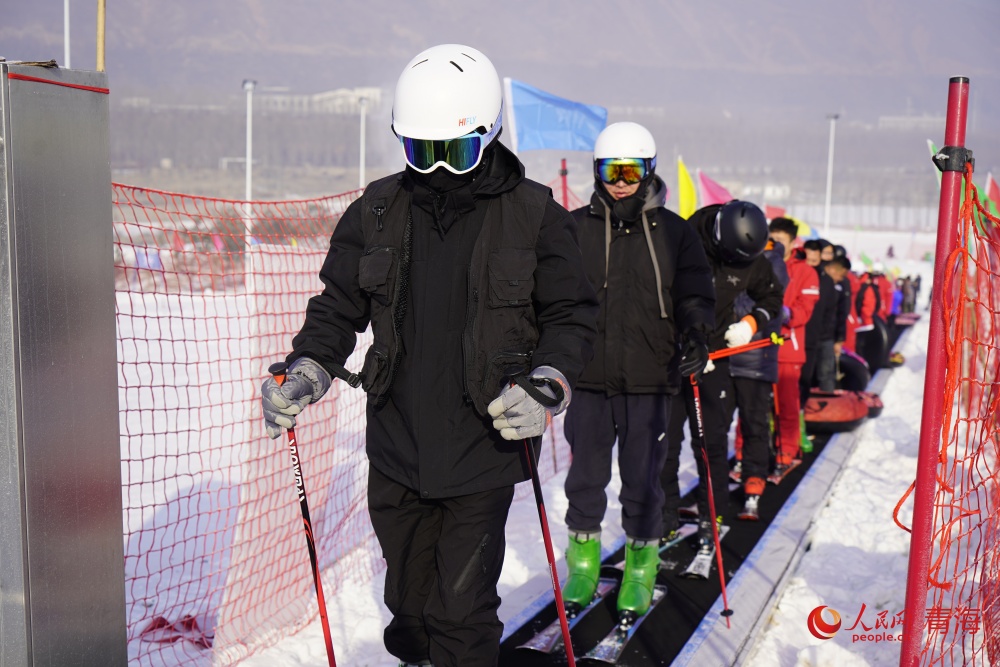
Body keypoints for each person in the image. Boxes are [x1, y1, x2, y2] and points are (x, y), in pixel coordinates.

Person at [260, 44, 599, 667]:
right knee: (410, 612)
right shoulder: (379, 210)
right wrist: (309, 366)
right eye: (423, 152)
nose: (439, 169)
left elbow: (570, 316)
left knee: (460, 613)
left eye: (456, 152)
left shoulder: (534, 216)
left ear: (488, 134)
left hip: (484, 445)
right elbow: (337, 305)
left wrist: (547, 384)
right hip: (397, 445)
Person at [560, 122, 715, 626]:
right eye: (610, 170)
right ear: (597, 171)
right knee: (585, 477)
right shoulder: (575, 227)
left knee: (643, 481)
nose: (620, 181)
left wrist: (696, 333)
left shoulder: (675, 231)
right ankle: (582, 563)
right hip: (588, 377)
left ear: (648, 170)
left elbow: (694, 292)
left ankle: (640, 566)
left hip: (652, 377)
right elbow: (554, 297)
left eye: (630, 170)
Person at [660, 201, 782, 525]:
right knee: (666, 443)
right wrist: (686, 343)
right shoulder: (680, 242)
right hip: (672, 356)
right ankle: (665, 516)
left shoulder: (751, 257)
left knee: (711, 441)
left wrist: (751, 324)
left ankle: (712, 514)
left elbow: (772, 297)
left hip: (715, 357)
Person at [729, 234, 789, 515]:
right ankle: (716, 484)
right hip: (725, 356)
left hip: (755, 359)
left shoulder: (772, 262)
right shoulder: (731, 254)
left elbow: (767, 306)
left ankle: (754, 480)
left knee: (754, 424)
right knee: (715, 429)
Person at [767, 218, 819, 479]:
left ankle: (787, 450)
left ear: (792, 242)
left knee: (787, 405)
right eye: (772, 238)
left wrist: (786, 313)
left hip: (788, 348)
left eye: (781, 241)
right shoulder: (760, 261)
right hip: (758, 346)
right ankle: (744, 454)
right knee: (751, 406)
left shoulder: (805, 271)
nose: (775, 244)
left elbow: (805, 309)